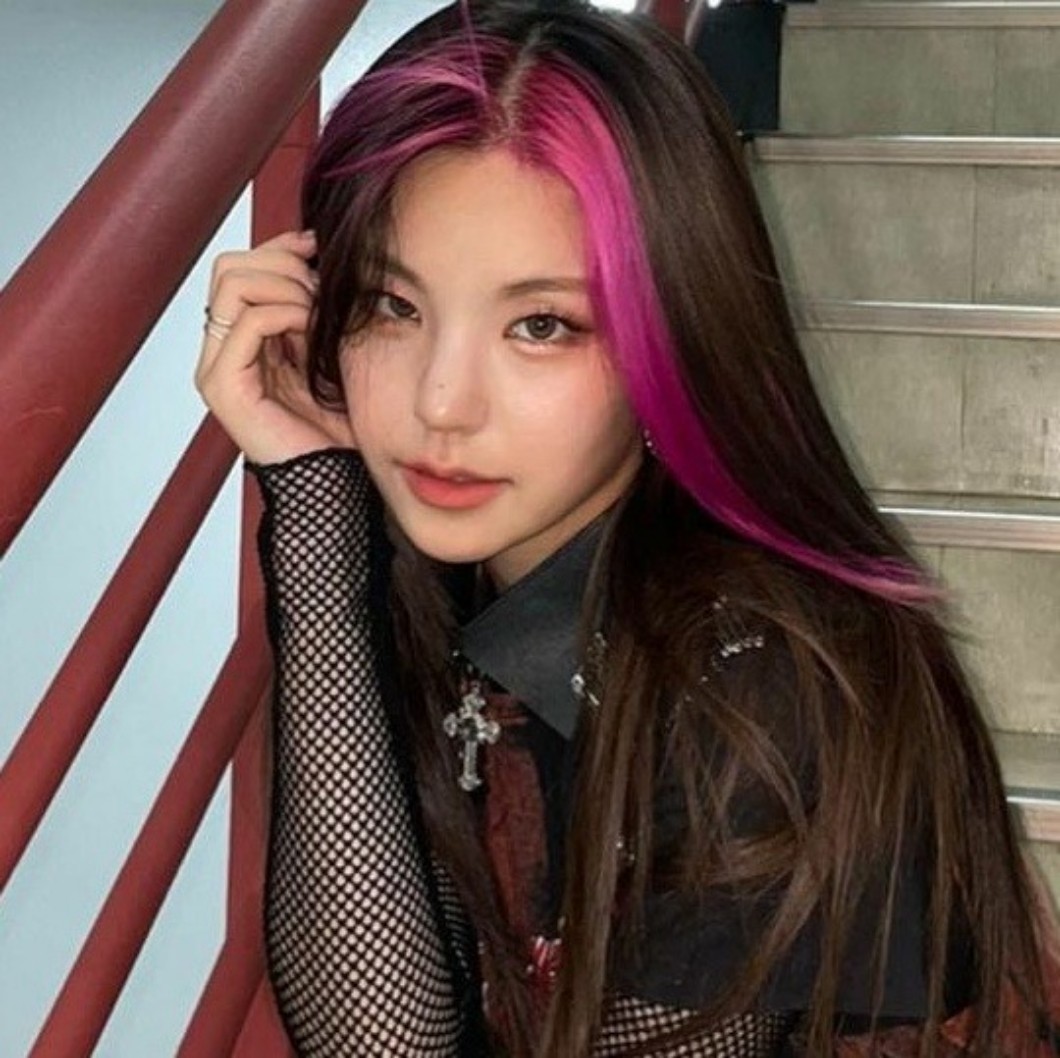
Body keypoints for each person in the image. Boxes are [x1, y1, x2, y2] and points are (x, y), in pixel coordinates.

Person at [195, 1, 1060, 1054]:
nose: (441, 404)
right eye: (391, 305)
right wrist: (315, 511)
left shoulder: (761, 688)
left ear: (674, 336)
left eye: (541, 324)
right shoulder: (462, 571)